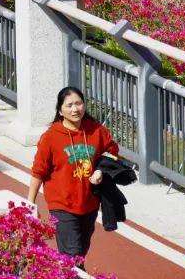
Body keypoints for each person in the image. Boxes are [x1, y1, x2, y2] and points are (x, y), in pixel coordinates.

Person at [27, 86, 120, 264]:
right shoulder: (50, 137)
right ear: (60, 110)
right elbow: (38, 171)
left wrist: (101, 170)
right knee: (73, 255)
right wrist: (30, 203)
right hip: (62, 205)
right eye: (69, 105)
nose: (75, 109)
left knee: (80, 252)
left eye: (79, 103)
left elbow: (113, 152)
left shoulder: (96, 130)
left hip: (89, 203)